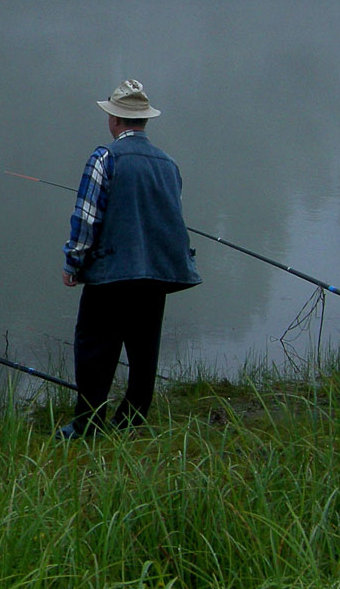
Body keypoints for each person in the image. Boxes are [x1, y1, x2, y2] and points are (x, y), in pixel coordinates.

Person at [59, 79, 201, 438]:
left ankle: (87, 425)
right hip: (154, 276)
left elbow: (86, 219)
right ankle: (131, 423)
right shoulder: (169, 164)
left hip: (111, 274)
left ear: (115, 120)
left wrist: (73, 263)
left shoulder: (104, 158)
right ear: (143, 121)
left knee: (94, 349)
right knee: (143, 350)